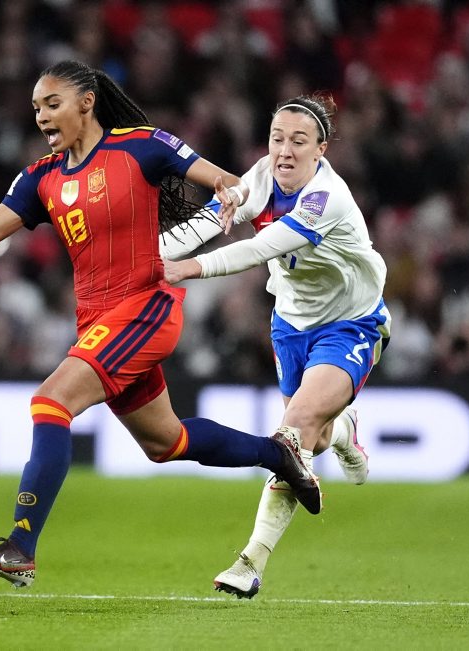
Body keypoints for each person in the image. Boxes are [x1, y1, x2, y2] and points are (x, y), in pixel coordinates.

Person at [0, 60, 321, 588]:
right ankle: (279, 454)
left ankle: (20, 547)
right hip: (98, 323)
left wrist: (229, 195)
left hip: (145, 307)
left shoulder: (143, 145)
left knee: (50, 401)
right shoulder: (40, 178)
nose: (41, 116)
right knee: (166, 443)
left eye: (51, 103)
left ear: (87, 102)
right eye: (36, 107)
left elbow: (227, 181)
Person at [162, 93, 391, 598]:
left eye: (298, 141)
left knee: (293, 434)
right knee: (314, 437)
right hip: (290, 324)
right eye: (277, 138)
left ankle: (250, 563)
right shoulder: (264, 175)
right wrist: (150, 255)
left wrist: (187, 268)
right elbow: (212, 217)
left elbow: (261, 247)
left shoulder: (326, 198)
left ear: (321, 150)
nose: (284, 151)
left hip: (350, 323)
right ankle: (345, 430)